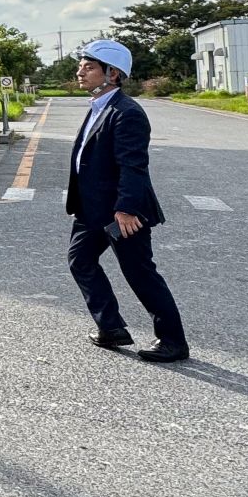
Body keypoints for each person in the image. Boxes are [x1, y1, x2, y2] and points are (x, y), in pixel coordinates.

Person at [66, 38, 190, 364]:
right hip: (93, 211)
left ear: (113, 74)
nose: (80, 71)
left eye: (89, 67)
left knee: (139, 272)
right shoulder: (98, 107)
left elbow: (133, 165)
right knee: (80, 260)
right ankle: (111, 328)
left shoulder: (127, 113)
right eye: (82, 65)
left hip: (122, 214)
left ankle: (173, 341)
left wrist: (127, 209)